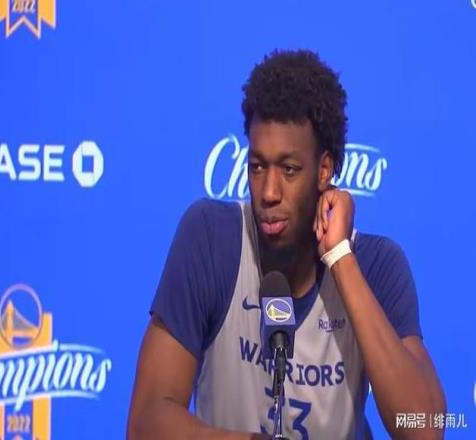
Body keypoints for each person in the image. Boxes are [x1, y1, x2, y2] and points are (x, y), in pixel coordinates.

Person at [127, 49, 446, 439]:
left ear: (324, 170)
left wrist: (341, 258)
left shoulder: (377, 265)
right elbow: (146, 421)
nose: (269, 192)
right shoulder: (211, 239)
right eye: (257, 166)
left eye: (289, 169)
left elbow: (425, 429)